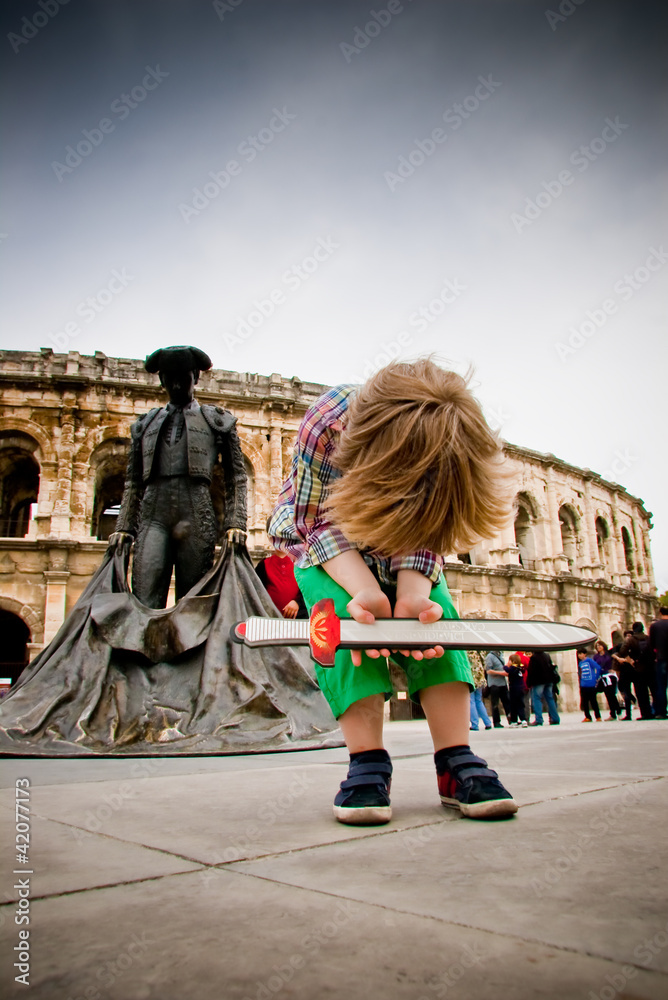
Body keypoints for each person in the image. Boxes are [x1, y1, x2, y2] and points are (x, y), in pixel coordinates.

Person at [269, 359, 518, 823]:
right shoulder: (329, 420)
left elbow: (432, 529)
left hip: (408, 538)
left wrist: (411, 598)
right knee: (341, 624)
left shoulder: (457, 450)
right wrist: (365, 590)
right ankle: (367, 762)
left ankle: (456, 758)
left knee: (436, 620)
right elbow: (310, 520)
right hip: (327, 536)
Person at [110, 346, 247, 608]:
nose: (175, 384)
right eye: (168, 378)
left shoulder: (217, 421)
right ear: (161, 380)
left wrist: (236, 522)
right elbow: (133, 481)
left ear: (195, 376)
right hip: (153, 515)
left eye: (181, 377)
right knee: (144, 601)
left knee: (192, 606)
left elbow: (237, 476)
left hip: (196, 512)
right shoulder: (145, 424)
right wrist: (124, 527)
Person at [254, 549, 307, 618]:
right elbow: (256, 591)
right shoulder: (263, 564)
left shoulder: (301, 564)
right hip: (270, 618)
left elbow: (310, 590)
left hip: (298, 618)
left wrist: (298, 603)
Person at [527, 650, 560, 726]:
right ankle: (555, 718)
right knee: (550, 698)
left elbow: (531, 671)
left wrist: (529, 683)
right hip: (549, 680)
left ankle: (539, 719)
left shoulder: (534, 658)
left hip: (539, 681)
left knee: (536, 698)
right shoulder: (547, 655)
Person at [593, 640, 620, 720]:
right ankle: (612, 714)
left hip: (610, 676)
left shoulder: (609, 653)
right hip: (602, 677)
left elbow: (615, 657)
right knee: (607, 695)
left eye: (600, 645)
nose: (599, 647)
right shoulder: (596, 656)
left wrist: (614, 668)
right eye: (597, 646)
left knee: (612, 695)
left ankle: (617, 712)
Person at [648, 606, 668, 719]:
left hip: (661, 657)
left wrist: (655, 654)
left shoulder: (655, 626)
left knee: (661, 686)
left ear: (660, 613)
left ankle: (661, 711)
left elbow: (651, 644)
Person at [485, 649, 512, 728]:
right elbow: (488, 670)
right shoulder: (490, 656)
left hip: (502, 683)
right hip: (494, 683)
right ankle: (496, 722)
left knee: (506, 701)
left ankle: (510, 719)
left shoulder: (500, 654)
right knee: (495, 703)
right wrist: (501, 673)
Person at [467, 650, 492, 732]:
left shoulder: (467, 652)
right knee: (479, 700)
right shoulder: (480, 651)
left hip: (471, 677)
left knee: (471, 701)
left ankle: (474, 724)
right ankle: (487, 723)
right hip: (480, 676)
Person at [578, 649, 602, 721]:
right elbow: (580, 672)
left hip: (591, 683)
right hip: (583, 684)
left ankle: (598, 716)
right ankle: (588, 716)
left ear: (585, 654)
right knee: (584, 701)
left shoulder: (589, 661)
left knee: (593, 701)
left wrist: (596, 677)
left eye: (581, 653)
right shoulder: (580, 663)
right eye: (578, 654)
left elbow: (598, 667)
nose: (579, 655)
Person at [506, 653, 528, 727]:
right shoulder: (520, 668)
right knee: (520, 705)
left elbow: (506, 669)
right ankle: (523, 720)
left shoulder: (512, 668)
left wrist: (505, 666)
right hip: (521, 689)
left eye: (509, 660)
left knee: (513, 706)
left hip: (514, 689)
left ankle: (514, 721)